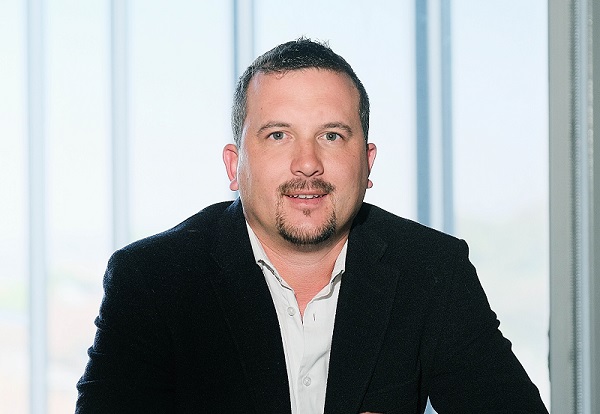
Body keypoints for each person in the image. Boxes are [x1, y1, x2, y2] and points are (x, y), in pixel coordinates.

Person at [76, 38, 548, 414]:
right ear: (234, 166)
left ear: (367, 163)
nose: (307, 163)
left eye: (332, 136)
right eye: (278, 135)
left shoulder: (432, 270)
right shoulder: (153, 279)